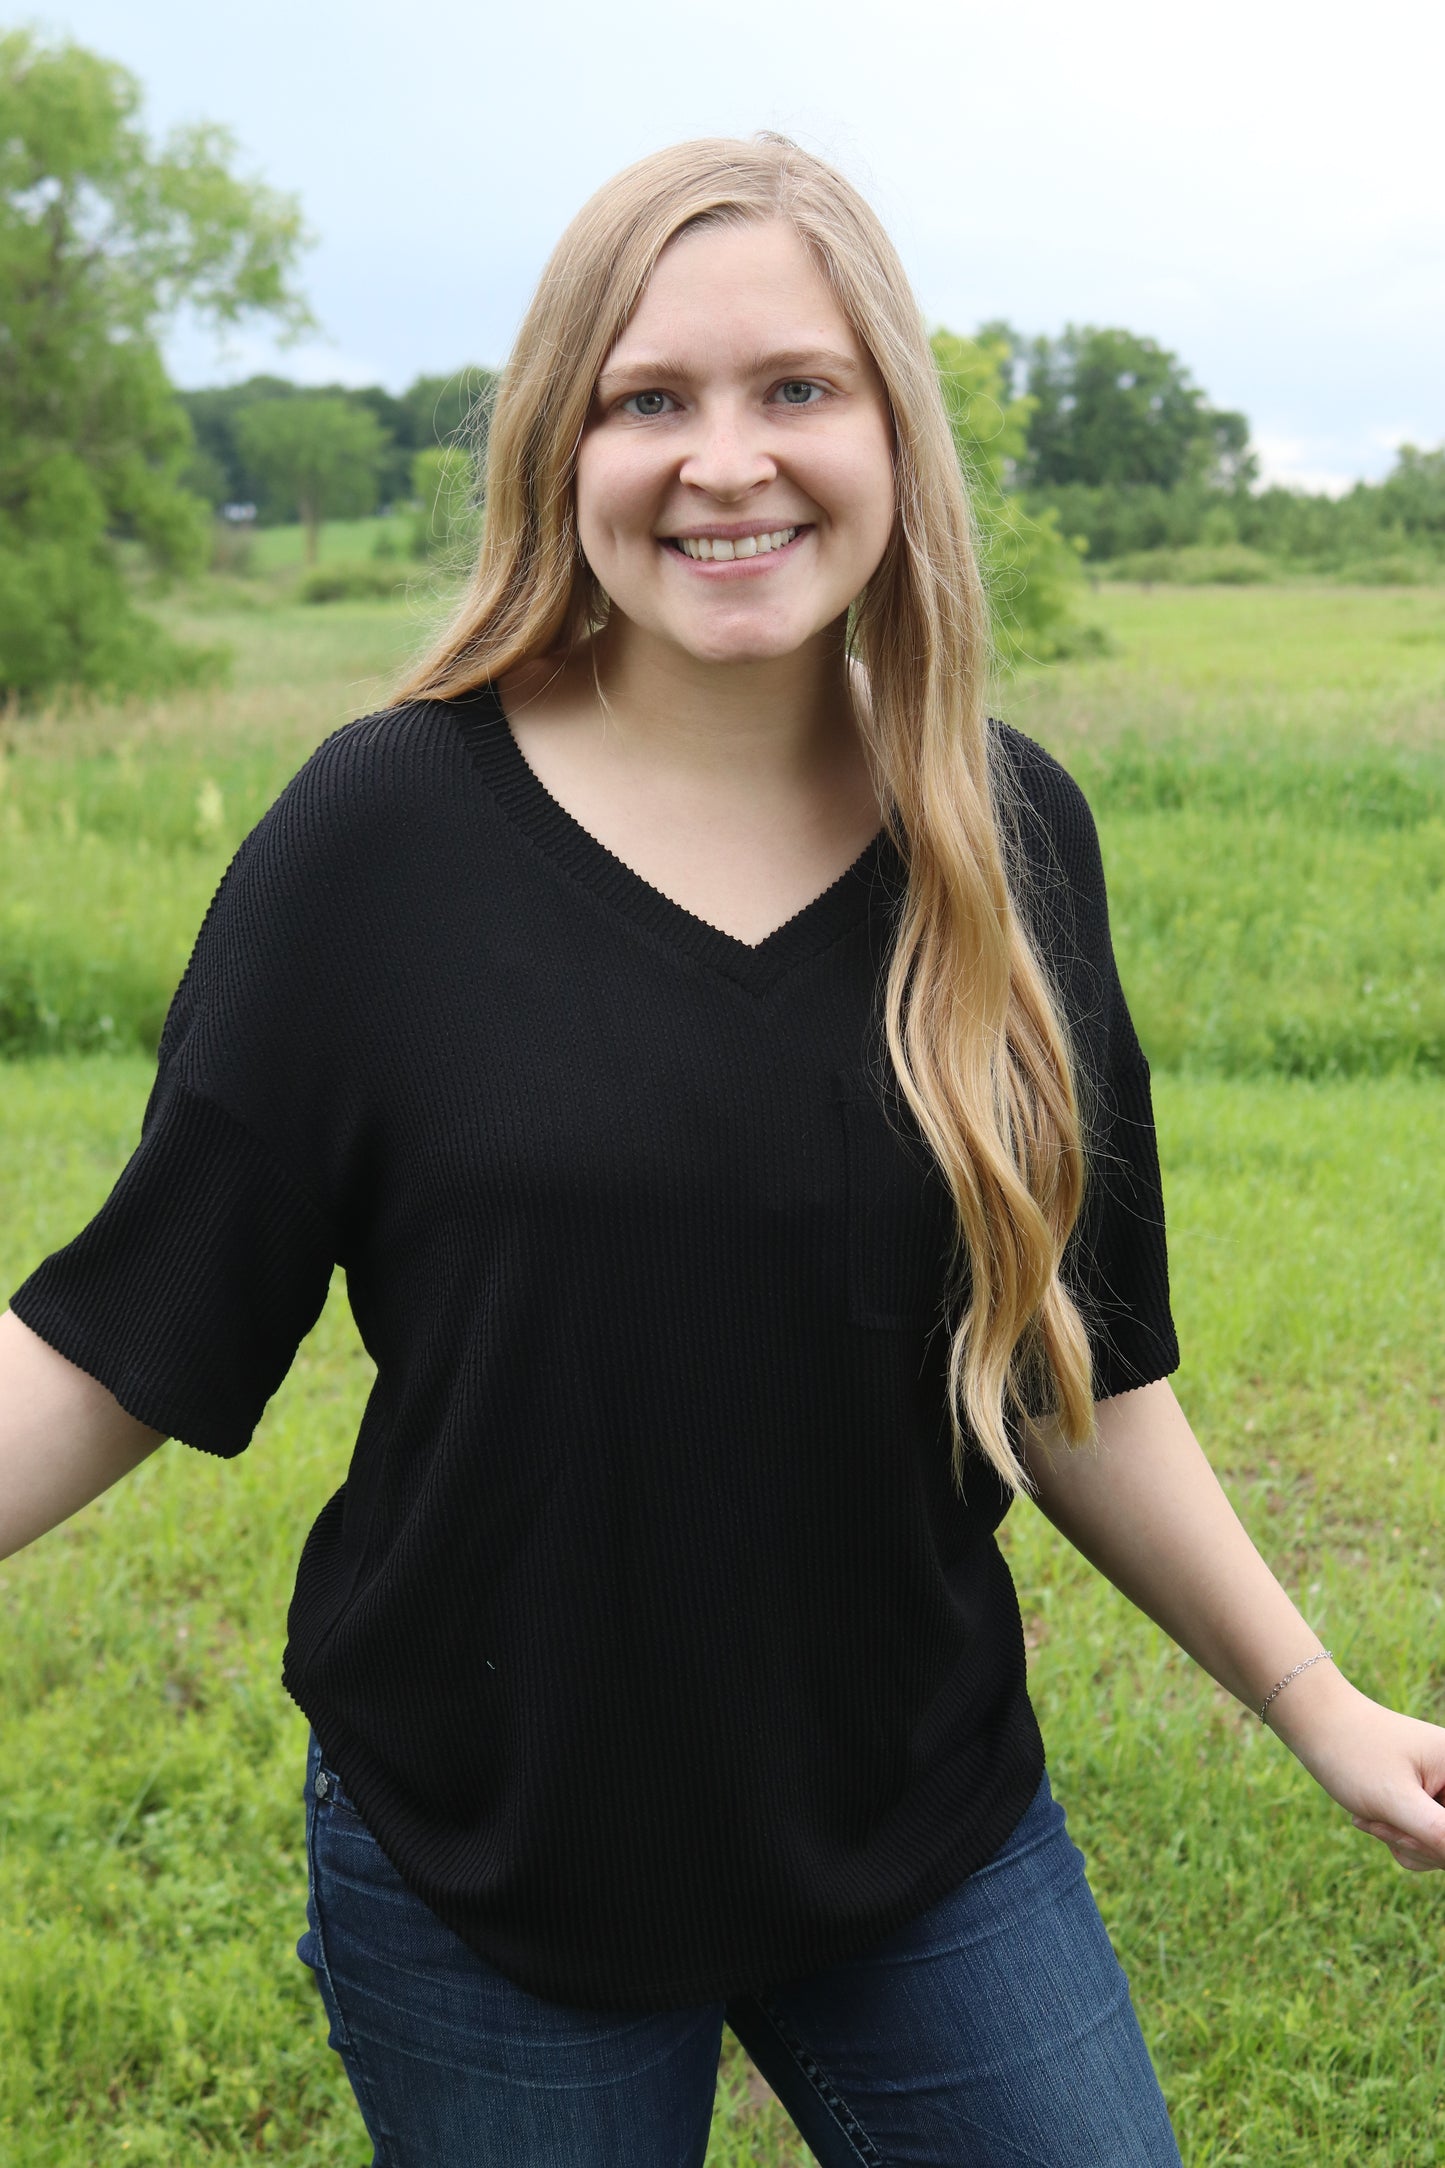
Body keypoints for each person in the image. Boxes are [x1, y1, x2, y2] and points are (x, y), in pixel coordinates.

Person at [2, 133, 1441, 2168]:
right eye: (649, 398)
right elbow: (129, 1323)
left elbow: (1075, 1369)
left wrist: (1317, 1698)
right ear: (557, 442)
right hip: (491, 1846)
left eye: (797, 389)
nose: (725, 460)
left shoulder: (1008, 837)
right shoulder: (382, 838)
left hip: (918, 1819)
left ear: (892, 432)